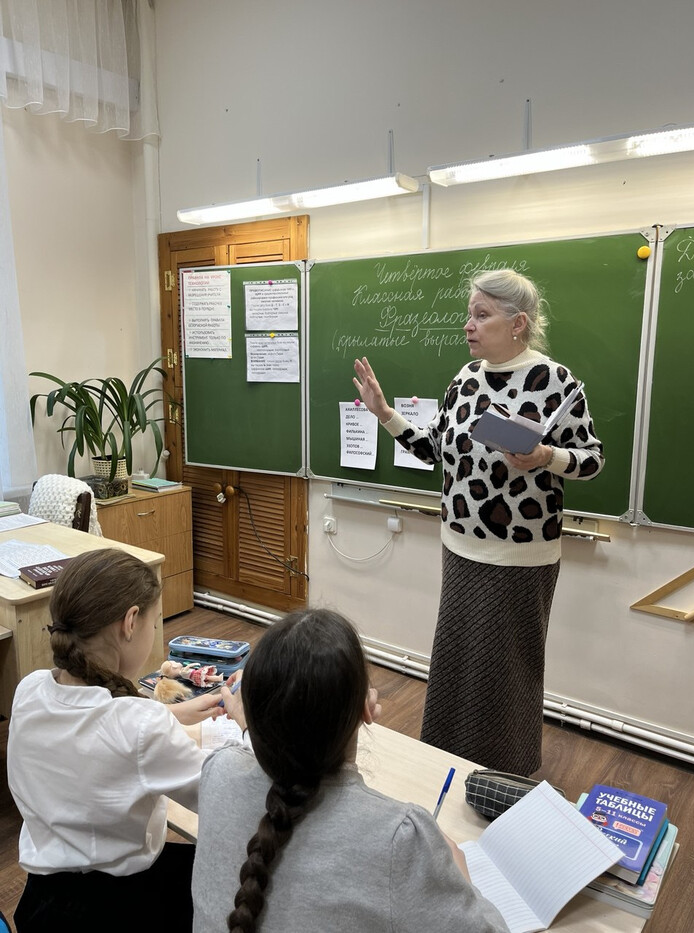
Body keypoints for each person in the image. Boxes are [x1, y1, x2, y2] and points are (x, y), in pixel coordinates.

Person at [352, 268, 604, 775]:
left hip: (522, 559)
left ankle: (505, 772)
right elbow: (433, 450)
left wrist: (546, 456)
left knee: (506, 669)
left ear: (518, 323)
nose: (468, 325)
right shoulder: (465, 379)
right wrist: (384, 414)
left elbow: (592, 460)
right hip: (460, 548)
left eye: (481, 315)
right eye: (470, 314)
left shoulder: (555, 382)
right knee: (455, 661)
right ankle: (446, 760)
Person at [191, 608, 508, 933]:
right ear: (364, 711)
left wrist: (253, 724)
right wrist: (462, 877)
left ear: (252, 712)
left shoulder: (219, 771)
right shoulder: (400, 839)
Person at [7, 547, 228, 933]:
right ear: (130, 622)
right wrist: (251, 726)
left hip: (40, 901)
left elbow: (95, 728)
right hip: (116, 909)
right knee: (234, 874)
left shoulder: (29, 690)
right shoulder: (138, 724)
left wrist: (171, 714)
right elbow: (225, 797)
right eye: (155, 622)